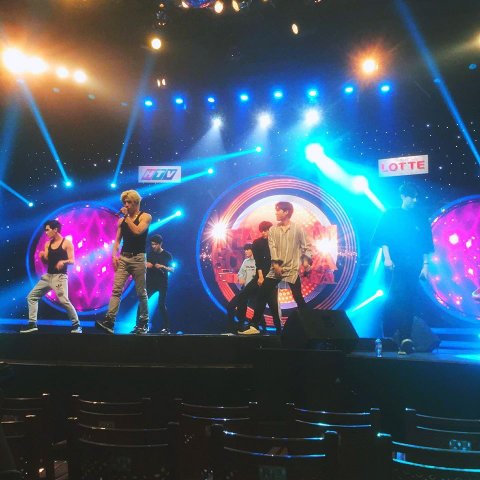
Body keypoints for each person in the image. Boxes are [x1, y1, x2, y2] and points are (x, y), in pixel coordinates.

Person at [373, 182, 434, 354]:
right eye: (411, 197)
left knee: (409, 299)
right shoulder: (391, 214)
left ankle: (406, 338)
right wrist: (387, 258)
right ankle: (390, 336)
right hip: (394, 264)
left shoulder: (420, 217)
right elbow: (383, 238)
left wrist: (425, 266)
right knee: (394, 298)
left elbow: (425, 245)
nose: (414, 200)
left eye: (416, 197)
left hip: (413, 264)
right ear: (403, 196)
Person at [240, 202, 312, 335]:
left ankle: (311, 325)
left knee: (298, 297)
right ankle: (254, 326)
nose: (276, 213)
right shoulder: (273, 230)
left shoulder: (298, 229)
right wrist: (276, 265)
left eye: (278, 210)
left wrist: (306, 262)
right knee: (262, 295)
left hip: (291, 269)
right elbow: (272, 249)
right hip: (275, 270)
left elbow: (306, 247)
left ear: (286, 212)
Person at [96, 190, 152, 335]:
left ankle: (143, 323)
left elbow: (138, 231)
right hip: (124, 259)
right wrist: (114, 255)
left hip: (138, 258)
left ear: (136, 203)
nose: (126, 205)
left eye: (129, 202)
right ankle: (109, 322)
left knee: (141, 292)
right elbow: (117, 241)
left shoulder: (145, 216)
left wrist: (126, 217)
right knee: (116, 290)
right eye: (124, 202)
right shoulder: (121, 221)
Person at [21, 220, 81, 333]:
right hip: (48, 277)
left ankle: (76, 325)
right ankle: (32, 324)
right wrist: (42, 257)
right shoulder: (48, 244)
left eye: (48, 230)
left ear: (55, 230)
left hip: (60, 277)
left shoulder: (67, 243)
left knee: (64, 301)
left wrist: (63, 262)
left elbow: (72, 260)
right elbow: (46, 261)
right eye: (45, 230)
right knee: (31, 297)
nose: (46, 232)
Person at [226, 243, 258, 333]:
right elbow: (241, 272)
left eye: (248, 249)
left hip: (255, 289)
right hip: (245, 289)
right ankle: (235, 327)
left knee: (255, 308)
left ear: (253, 250)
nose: (245, 251)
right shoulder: (246, 261)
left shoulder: (258, 261)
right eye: (245, 250)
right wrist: (241, 278)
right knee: (232, 306)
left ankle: (247, 326)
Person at [146, 234, 174, 334]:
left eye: (155, 244)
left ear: (160, 244)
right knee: (143, 303)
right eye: (152, 244)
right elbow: (144, 264)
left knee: (161, 305)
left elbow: (172, 269)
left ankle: (166, 327)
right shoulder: (149, 254)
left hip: (162, 283)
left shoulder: (167, 255)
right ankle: (139, 325)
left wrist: (163, 267)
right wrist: (146, 264)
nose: (153, 246)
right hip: (150, 282)